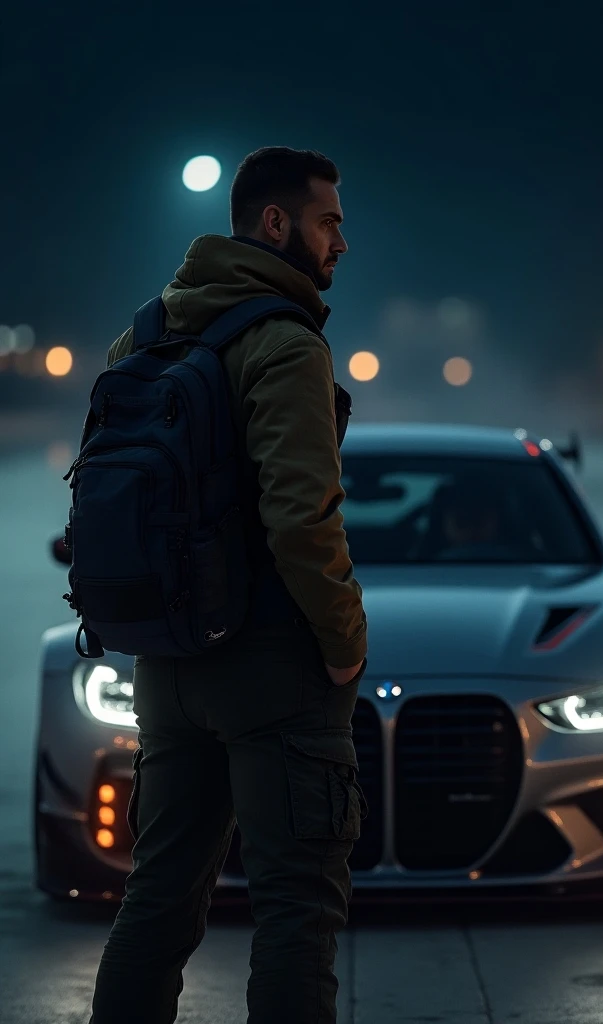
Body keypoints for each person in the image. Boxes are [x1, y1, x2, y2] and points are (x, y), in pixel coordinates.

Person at [89, 147, 368, 1024]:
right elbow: (302, 516)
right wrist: (344, 641)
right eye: (328, 222)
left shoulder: (144, 333)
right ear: (275, 224)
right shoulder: (283, 343)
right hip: (273, 663)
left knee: (159, 898)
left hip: (168, 662)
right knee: (297, 908)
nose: (340, 244)